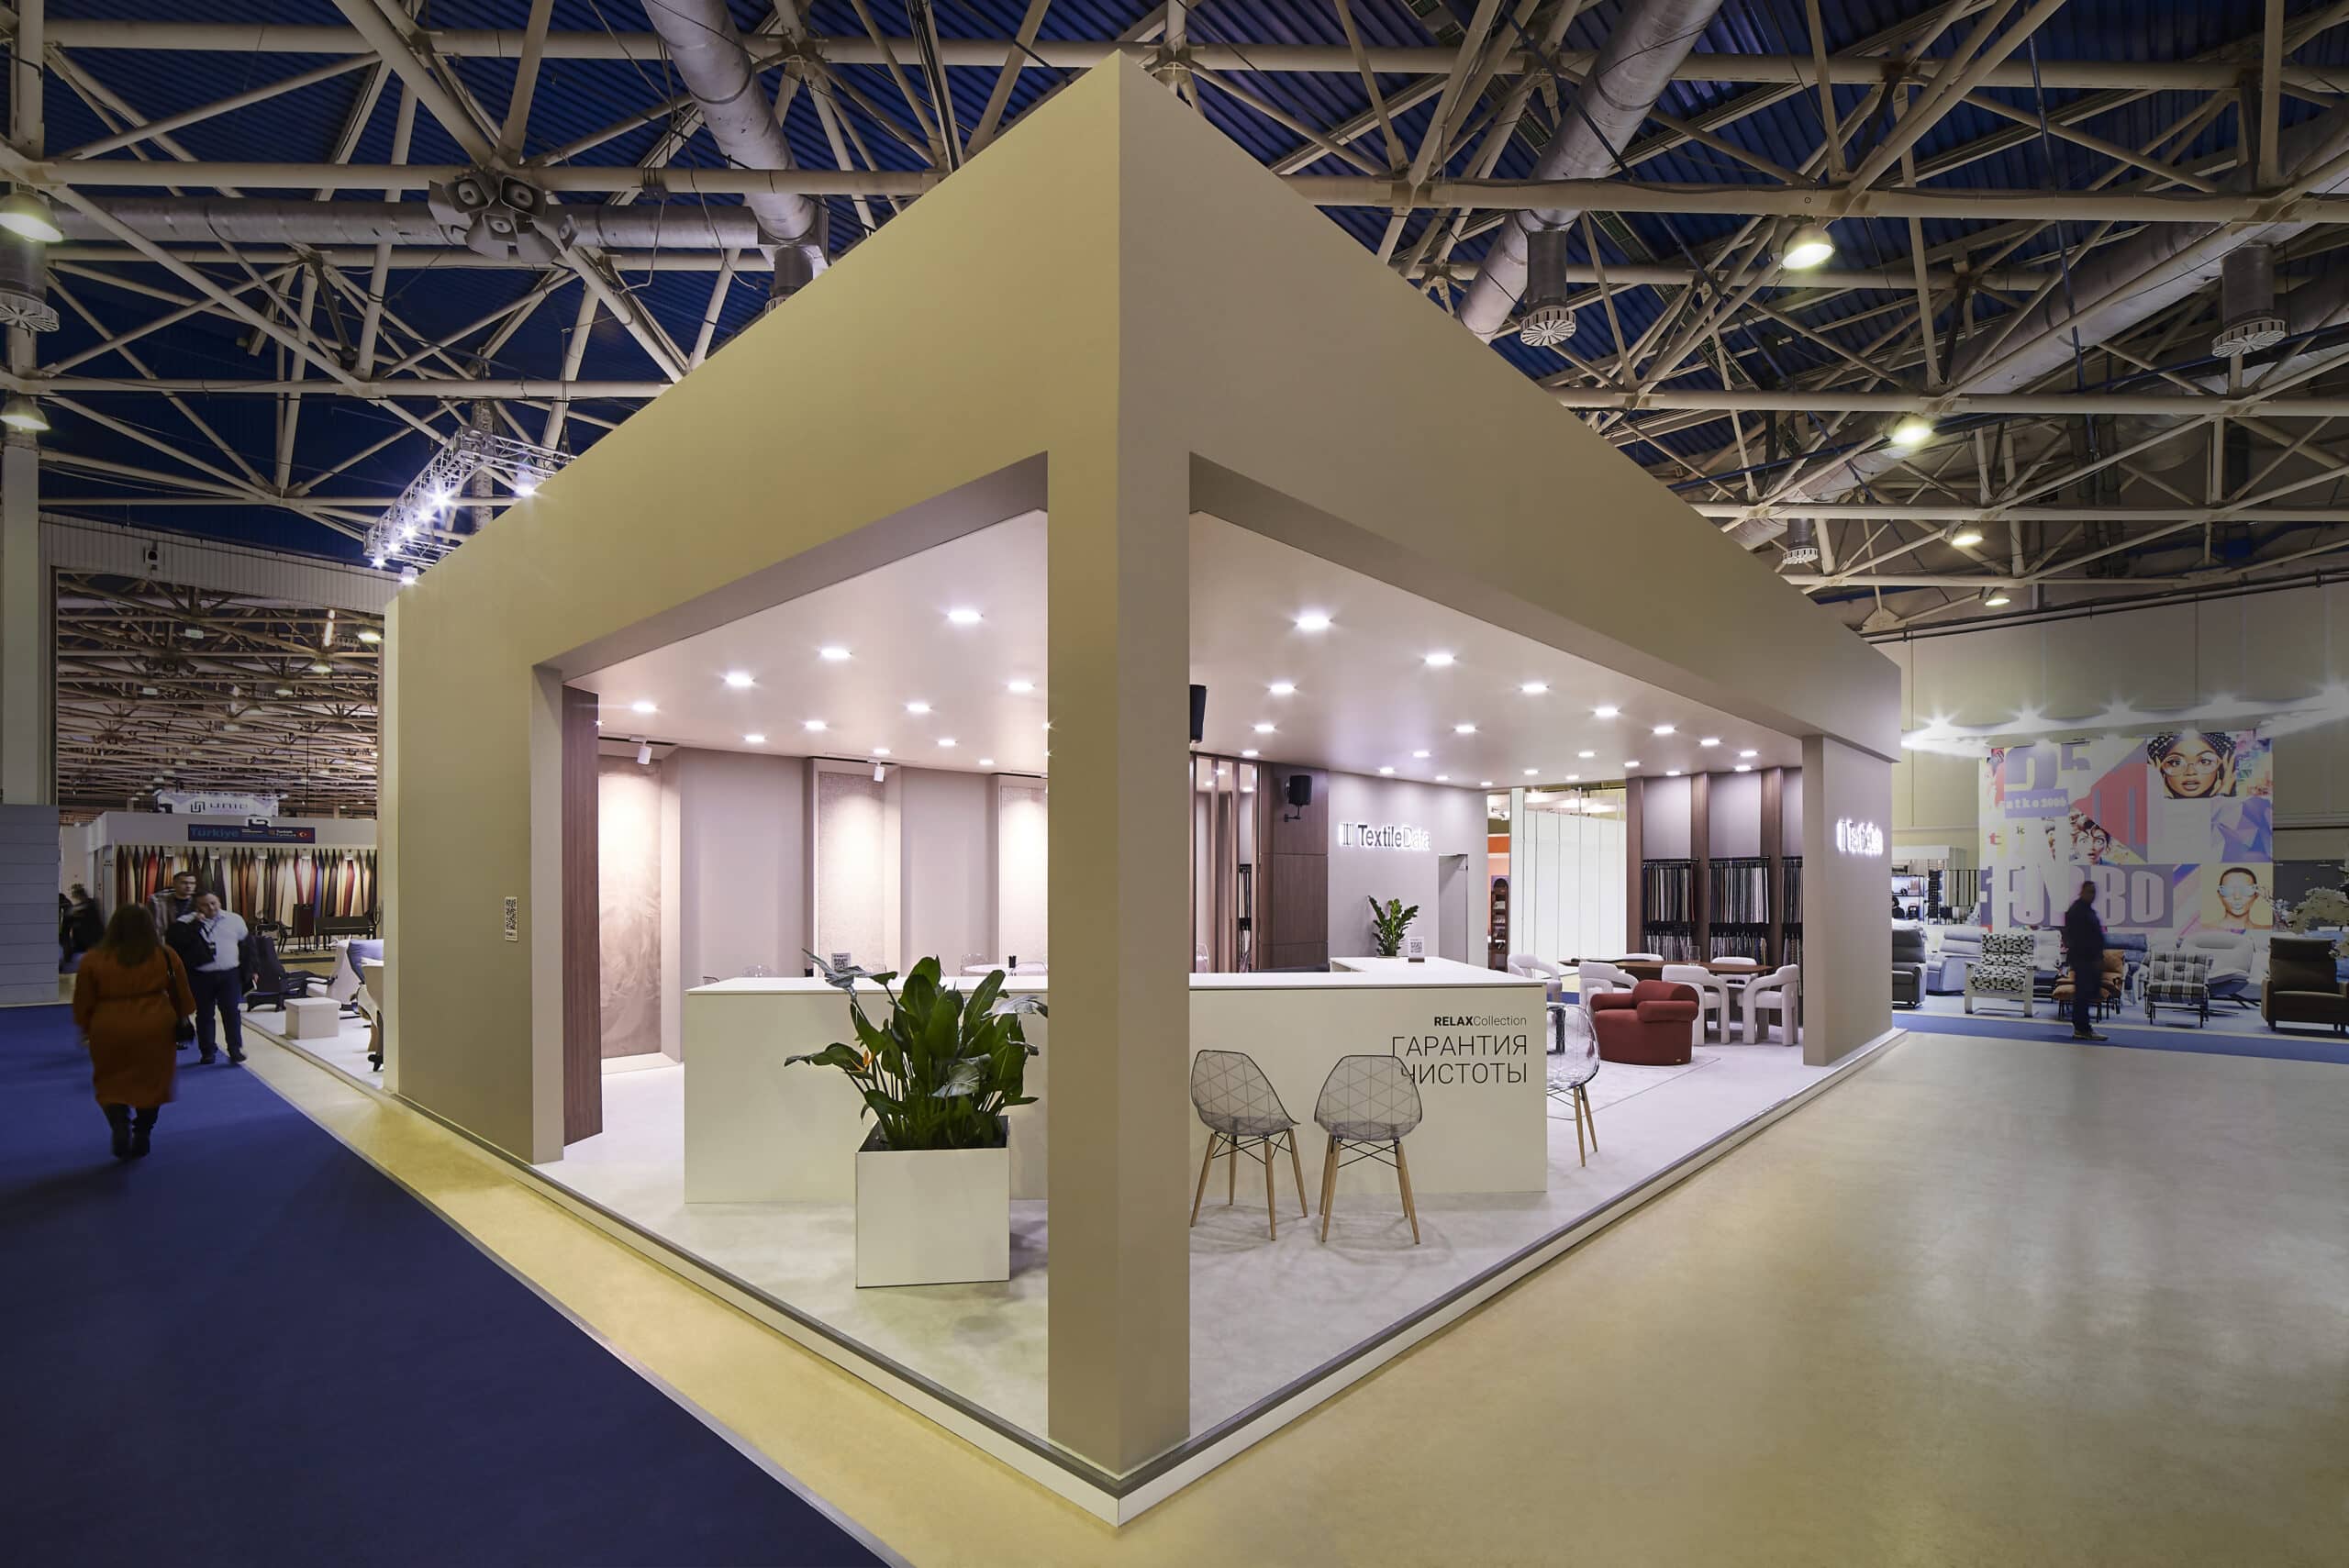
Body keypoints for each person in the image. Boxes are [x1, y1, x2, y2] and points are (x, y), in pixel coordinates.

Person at [72, 904, 195, 1159]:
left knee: (110, 1081)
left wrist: (86, 1027)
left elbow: (83, 1001)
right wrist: (183, 1018)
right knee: (152, 1082)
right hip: (155, 1026)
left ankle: (119, 1123)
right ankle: (142, 1131)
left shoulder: (93, 959)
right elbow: (182, 995)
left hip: (109, 1026)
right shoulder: (165, 955)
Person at [171, 891, 252, 1066]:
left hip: (229, 974)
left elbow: (247, 946)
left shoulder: (234, 919)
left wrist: (252, 970)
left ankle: (235, 1049)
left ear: (219, 902)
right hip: (200, 976)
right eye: (205, 905)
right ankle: (207, 1051)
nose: (211, 908)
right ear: (196, 907)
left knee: (231, 1011)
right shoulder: (185, 923)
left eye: (213, 903)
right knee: (205, 1014)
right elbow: (179, 945)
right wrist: (196, 925)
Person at [2060, 879, 2109, 1043]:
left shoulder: (2088, 910)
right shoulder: (2077, 911)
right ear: (2082, 892)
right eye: (2090, 891)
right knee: (2082, 994)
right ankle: (2082, 1028)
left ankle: (2083, 1027)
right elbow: (2077, 937)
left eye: (2094, 892)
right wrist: (2090, 956)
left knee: (2086, 993)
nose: (2092, 895)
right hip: (2083, 959)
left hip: (2090, 959)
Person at [59, 884, 103, 972]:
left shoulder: (82, 908)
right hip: (90, 943)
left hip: (87, 943)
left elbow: (66, 931)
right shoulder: (87, 906)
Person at [147, 869, 199, 938]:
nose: (189, 886)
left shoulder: (200, 901)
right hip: (166, 939)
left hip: (193, 940)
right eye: (184, 883)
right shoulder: (159, 903)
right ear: (174, 884)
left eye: (192, 883)